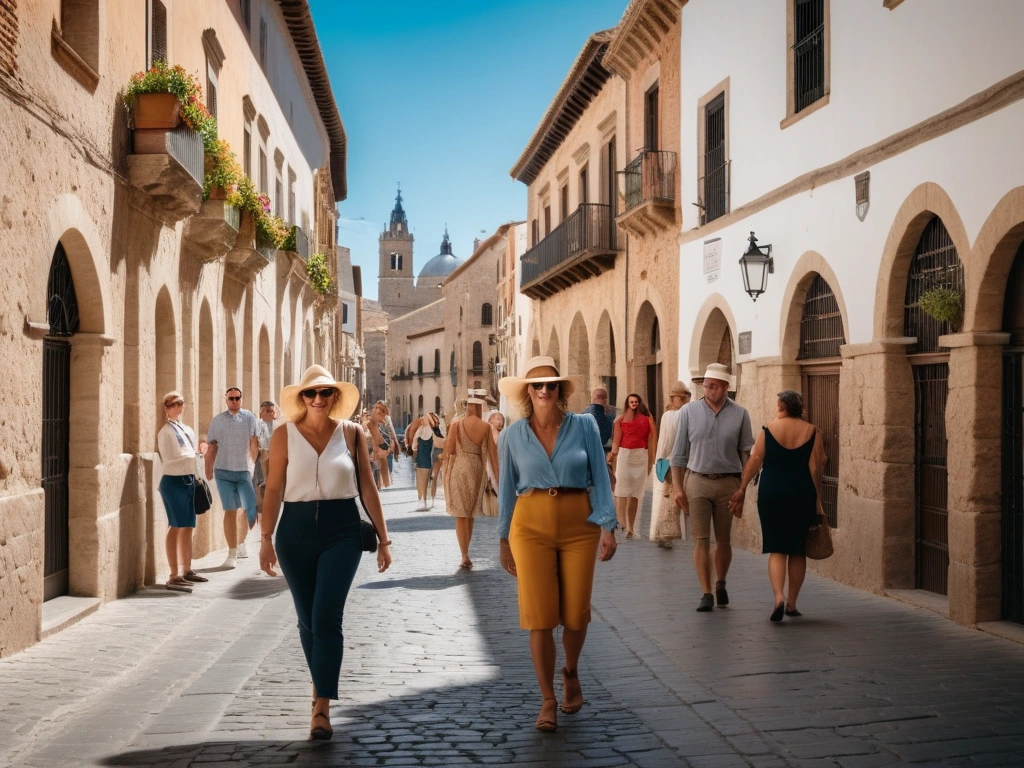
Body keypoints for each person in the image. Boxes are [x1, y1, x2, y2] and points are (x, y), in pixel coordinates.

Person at [258, 365, 392, 741]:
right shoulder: (284, 435)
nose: (318, 400)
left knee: (327, 617)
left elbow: (368, 486)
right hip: (294, 531)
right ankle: (320, 691)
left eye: (325, 393)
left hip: (342, 530)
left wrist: (384, 539)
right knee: (307, 621)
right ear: (301, 399)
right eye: (310, 394)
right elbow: (272, 490)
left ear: (335, 398)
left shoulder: (351, 433)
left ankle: (321, 706)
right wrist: (266, 538)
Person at [497, 356, 617, 733]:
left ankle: (570, 671)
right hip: (529, 526)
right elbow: (506, 492)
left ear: (561, 390)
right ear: (527, 392)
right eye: (538, 385)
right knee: (540, 616)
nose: (545, 390)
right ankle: (548, 698)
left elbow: (599, 475)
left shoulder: (584, 427)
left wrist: (608, 526)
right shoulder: (513, 435)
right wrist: (503, 539)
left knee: (576, 612)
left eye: (551, 385)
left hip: (579, 525)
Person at [731, 390, 826, 621]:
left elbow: (755, 460)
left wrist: (742, 488)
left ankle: (778, 598)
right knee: (797, 549)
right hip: (801, 493)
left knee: (776, 548)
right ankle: (792, 604)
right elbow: (818, 466)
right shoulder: (813, 432)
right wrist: (818, 499)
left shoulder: (768, 430)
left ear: (782, 408)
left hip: (772, 493)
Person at [671, 364, 754, 612]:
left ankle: (721, 582)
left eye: (714, 386)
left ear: (726, 387)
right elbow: (678, 455)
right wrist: (677, 488)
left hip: (729, 482)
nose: (707, 390)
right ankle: (706, 592)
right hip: (697, 480)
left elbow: (746, 455)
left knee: (724, 540)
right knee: (701, 539)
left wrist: (743, 490)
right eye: (705, 385)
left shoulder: (740, 414)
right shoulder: (688, 412)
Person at [156, 391, 207, 588]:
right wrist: (193, 457)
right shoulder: (166, 431)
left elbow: (189, 453)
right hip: (173, 481)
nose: (177, 407)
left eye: (180, 403)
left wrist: (197, 456)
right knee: (176, 525)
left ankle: (187, 569)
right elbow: (169, 459)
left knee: (188, 525)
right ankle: (173, 573)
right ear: (166, 408)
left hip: (188, 479)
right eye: (172, 404)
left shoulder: (186, 429)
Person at [205, 387, 259, 568]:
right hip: (223, 472)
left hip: (244, 471)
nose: (234, 401)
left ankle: (242, 541)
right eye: (231, 399)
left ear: (241, 399)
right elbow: (212, 446)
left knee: (247, 508)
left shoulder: (250, 418)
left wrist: (253, 465)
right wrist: (208, 469)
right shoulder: (218, 421)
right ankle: (232, 553)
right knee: (230, 510)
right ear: (226, 400)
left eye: (237, 398)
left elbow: (254, 443)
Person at [443, 393, 499, 570]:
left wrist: (444, 456)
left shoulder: (456, 424)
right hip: (476, 468)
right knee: (471, 512)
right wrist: (499, 480)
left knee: (461, 513)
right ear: (480, 408)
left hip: (459, 466)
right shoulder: (485, 426)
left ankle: (464, 554)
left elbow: (450, 450)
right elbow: (493, 454)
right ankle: (467, 553)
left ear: (468, 407)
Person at [650, 382, 691, 548]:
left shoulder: (684, 414)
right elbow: (665, 441)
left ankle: (671, 533)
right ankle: (665, 533)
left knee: (675, 496)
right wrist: (662, 460)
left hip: (679, 460)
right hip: (673, 461)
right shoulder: (670, 416)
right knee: (669, 498)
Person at [610, 394, 657, 538]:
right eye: (631, 402)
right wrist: (613, 453)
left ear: (639, 403)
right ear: (627, 403)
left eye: (636, 401)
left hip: (640, 456)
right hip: (624, 455)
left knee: (635, 493)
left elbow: (654, 439)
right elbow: (616, 440)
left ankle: (630, 527)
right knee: (621, 490)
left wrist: (653, 458)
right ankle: (623, 524)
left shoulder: (648, 420)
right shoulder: (620, 420)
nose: (634, 404)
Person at [253, 400, 276, 521]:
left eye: (272, 410)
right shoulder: (257, 425)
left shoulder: (279, 425)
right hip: (261, 457)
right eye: (267, 411)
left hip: (275, 457)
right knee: (261, 489)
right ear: (261, 412)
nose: (270, 413)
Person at [410, 413, 438, 510]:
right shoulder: (426, 430)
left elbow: (414, 445)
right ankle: (421, 501)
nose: (422, 419)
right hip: (423, 459)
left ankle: (423, 501)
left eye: (425, 418)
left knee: (422, 481)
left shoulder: (421, 430)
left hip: (424, 459)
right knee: (421, 480)